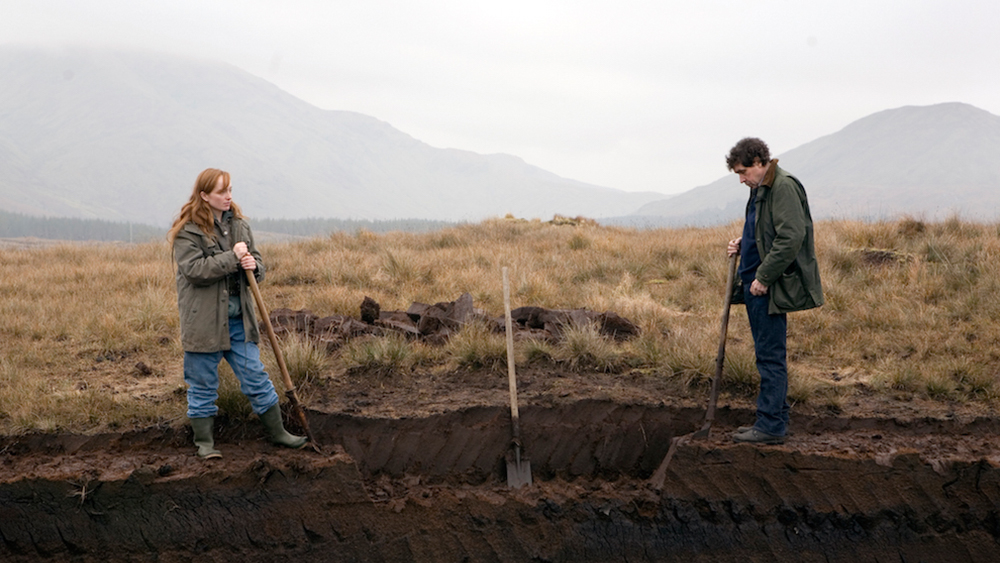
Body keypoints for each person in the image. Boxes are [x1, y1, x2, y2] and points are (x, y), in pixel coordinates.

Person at [167, 168, 306, 458]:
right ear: (204, 196)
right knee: (203, 383)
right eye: (221, 191)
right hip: (203, 322)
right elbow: (195, 271)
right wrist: (233, 257)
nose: (228, 196)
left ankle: (279, 433)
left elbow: (256, 262)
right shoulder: (187, 231)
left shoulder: (240, 226)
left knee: (256, 376)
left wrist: (254, 266)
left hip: (239, 319)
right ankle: (205, 444)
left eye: (230, 190)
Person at [725, 138, 823, 444]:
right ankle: (774, 419)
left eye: (743, 171)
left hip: (766, 287)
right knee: (767, 355)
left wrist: (764, 276)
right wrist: (744, 243)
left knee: (770, 357)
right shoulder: (760, 188)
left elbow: (791, 237)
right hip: (755, 283)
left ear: (758, 161)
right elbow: (766, 230)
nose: (741, 179)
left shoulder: (783, 186)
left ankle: (770, 427)